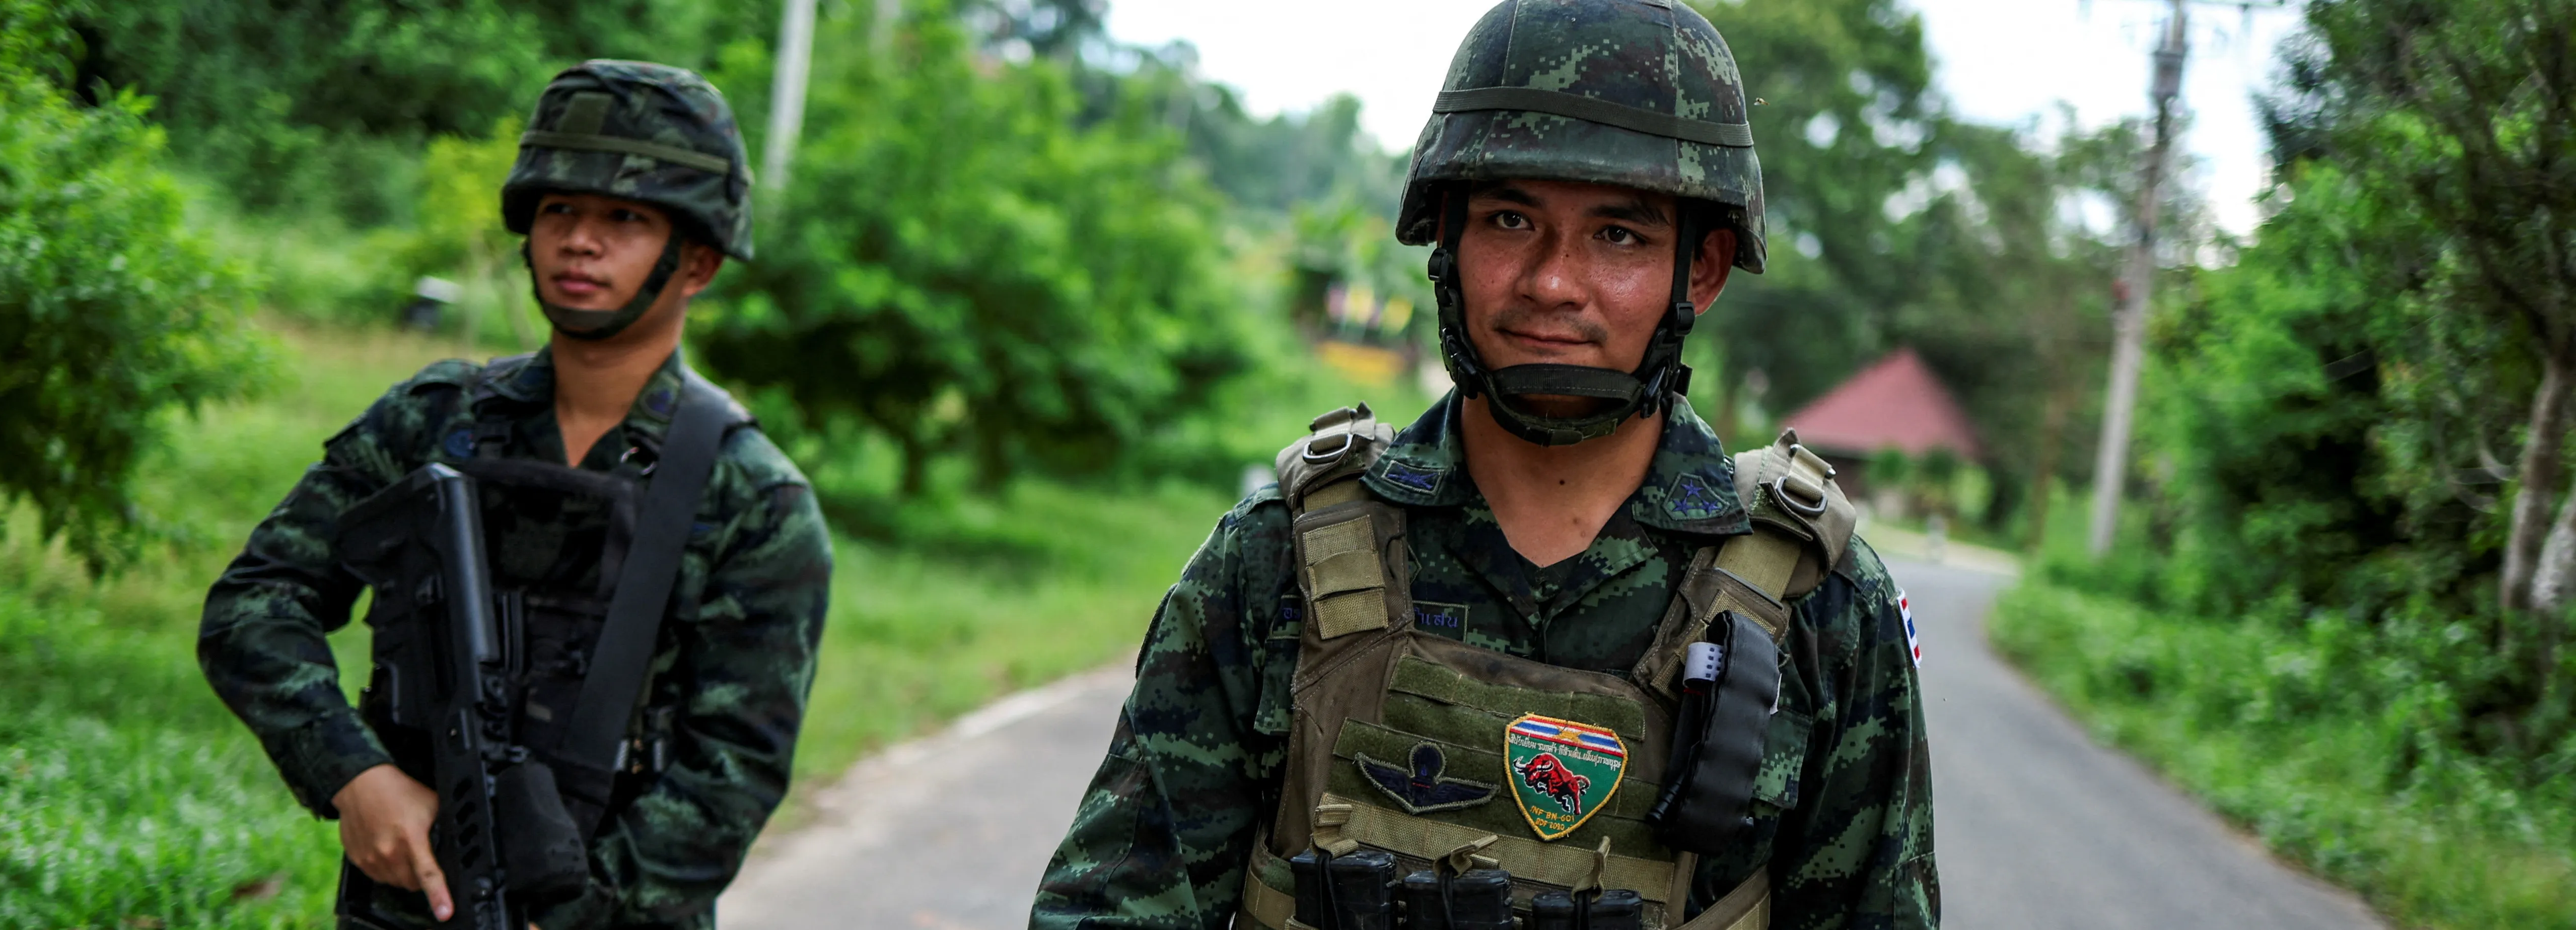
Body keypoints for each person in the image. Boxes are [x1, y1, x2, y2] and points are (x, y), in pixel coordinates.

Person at [1029, 2, 1936, 927]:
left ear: (1700, 270)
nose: (1552, 282)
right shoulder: (1276, 563)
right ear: (1448, 242)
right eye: (1510, 220)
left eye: (1618, 236)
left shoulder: (1821, 606)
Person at [199, 60, 832, 930]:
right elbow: (255, 605)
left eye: (626, 219)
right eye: (559, 209)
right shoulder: (431, 421)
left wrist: (571, 911)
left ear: (699, 262)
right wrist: (355, 774)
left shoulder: (755, 501)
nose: (580, 241)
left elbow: (731, 778)